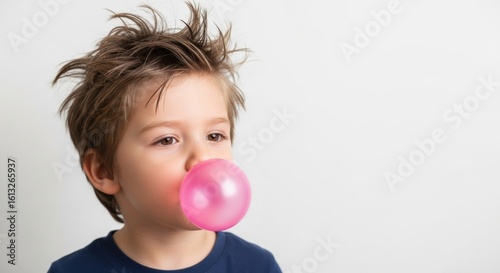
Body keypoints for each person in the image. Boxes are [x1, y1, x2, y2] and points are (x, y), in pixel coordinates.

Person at [48, 2, 282, 272]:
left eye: (215, 136)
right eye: (167, 140)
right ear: (104, 170)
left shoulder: (256, 266)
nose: (202, 159)